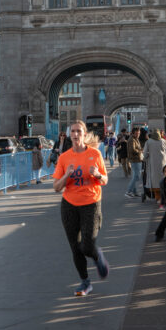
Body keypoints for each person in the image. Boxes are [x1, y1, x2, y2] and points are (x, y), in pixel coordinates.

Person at [52, 120, 110, 296]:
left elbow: (105, 180)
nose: (76, 134)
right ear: (70, 135)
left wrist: (97, 174)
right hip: (69, 205)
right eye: (73, 132)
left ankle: (97, 255)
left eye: (79, 131)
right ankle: (85, 282)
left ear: (84, 134)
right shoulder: (64, 158)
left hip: (91, 203)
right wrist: (67, 175)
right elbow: (56, 187)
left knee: (87, 245)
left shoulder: (95, 154)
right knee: (75, 247)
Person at [142, 129, 166, 206]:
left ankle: (158, 198)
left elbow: (144, 155)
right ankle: (165, 197)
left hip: (153, 164)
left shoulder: (148, 142)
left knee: (155, 181)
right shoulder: (164, 141)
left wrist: (146, 157)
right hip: (164, 163)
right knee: (164, 179)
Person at [125, 128, 143, 198]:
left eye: (138, 133)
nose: (138, 134)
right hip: (135, 160)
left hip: (137, 159)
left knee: (134, 176)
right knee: (137, 176)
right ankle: (128, 191)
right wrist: (140, 151)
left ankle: (134, 192)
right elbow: (132, 150)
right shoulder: (132, 140)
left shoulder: (135, 139)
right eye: (136, 133)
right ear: (133, 133)